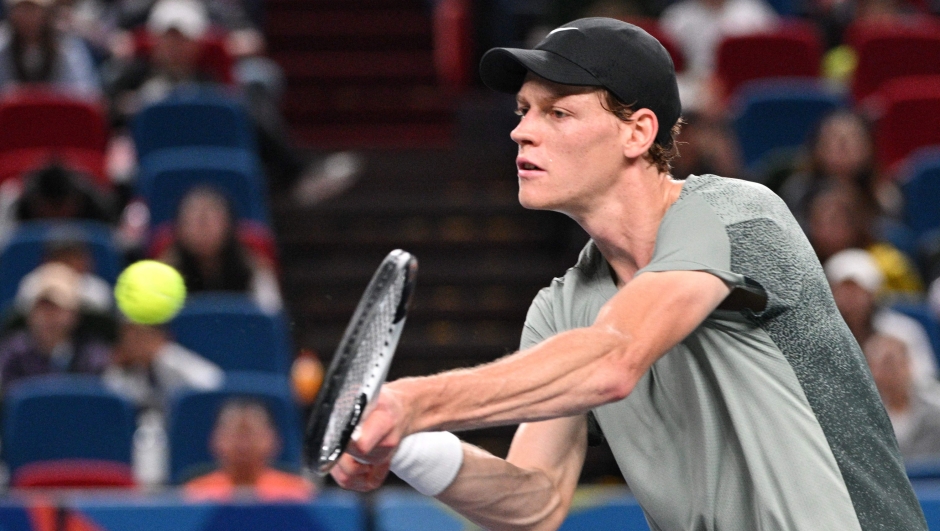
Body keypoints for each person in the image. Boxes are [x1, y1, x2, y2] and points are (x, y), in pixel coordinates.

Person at [329, 18, 927, 530]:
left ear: (637, 133)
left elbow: (614, 361)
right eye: (521, 111)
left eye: (557, 111)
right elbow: (535, 501)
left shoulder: (737, 215)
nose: (520, 130)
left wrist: (412, 401)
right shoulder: (561, 310)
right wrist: (409, 447)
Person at [824, 248, 939, 388]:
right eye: (843, 290)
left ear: (872, 293)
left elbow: (925, 381)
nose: (850, 299)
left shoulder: (903, 330)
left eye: (857, 291)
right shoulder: (822, 336)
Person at [158, 186, 282, 313]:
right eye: (192, 222)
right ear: (178, 228)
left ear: (229, 225)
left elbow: (271, 315)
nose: (203, 231)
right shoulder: (165, 270)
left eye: (211, 222)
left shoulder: (253, 266)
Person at [0, 262, 110, 392]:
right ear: (29, 314)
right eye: (41, 307)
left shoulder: (92, 354)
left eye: (57, 308)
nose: (48, 317)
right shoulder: (13, 352)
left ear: (75, 315)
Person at [185, 398, 315, 501]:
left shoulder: (297, 493)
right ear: (215, 439)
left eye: (252, 434)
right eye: (234, 434)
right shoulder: (194, 495)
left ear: (274, 439)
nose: (243, 444)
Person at [103, 320, 223, 413]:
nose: (133, 342)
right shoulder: (123, 370)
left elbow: (213, 381)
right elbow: (111, 395)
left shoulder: (172, 357)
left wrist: (164, 358)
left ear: (160, 336)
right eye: (128, 335)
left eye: (141, 335)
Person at [864, 333, 940, 461]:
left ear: (907, 364)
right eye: (874, 365)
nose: (881, 373)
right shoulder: (865, 417)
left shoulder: (935, 409)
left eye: (888, 363)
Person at [0, 0, 100, 96]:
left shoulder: (66, 46)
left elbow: (85, 91)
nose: (27, 16)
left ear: (45, 13)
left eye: (33, 9)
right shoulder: (3, 45)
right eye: (22, 9)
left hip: (58, 111)